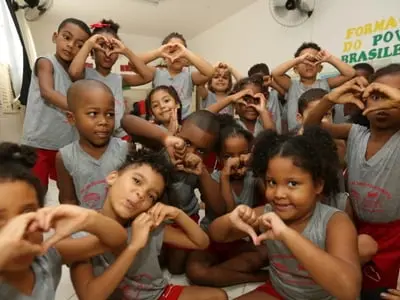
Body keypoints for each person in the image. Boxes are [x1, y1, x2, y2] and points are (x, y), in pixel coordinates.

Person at [209, 127, 361, 300]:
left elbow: (349, 289)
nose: (279, 194)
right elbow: (217, 235)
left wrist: (287, 235)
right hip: (280, 292)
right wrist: (231, 219)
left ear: (318, 185)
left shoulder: (335, 221)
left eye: (293, 184)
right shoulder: (268, 214)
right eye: (272, 182)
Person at [69, 148, 228, 300]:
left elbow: (201, 242)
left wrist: (177, 213)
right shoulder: (83, 233)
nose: (140, 194)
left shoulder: (147, 224)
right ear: (113, 177)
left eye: (151, 196)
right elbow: (90, 296)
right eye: (137, 181)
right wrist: (134, 247)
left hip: (155, 295)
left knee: (219, 296)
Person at [303, 64, 400, 295]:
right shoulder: (355, 133)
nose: (383, 103)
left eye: (392, 96)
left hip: (394, 236)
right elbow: (311, 127)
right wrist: (329, 99)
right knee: (354, 285)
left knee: (384, 290)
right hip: (357, 227)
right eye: (376, 95)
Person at [0, 142, 128, 299]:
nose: (17, 230)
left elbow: (117, 240)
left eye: (27, 214)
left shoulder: (45, 258)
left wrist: (88, 218)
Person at [121, 110, 226, 275]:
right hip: (154, 220)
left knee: (176, 269)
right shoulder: (162, 148)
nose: (190, 153)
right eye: (187, 143)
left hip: (184, 221)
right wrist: (165, 138)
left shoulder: (198, 168)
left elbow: (219, 208)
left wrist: (203, 173)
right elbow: (126, 121)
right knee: (153, 261)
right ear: (178, 133)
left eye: (200, 151)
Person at [186, 114, 268, 287]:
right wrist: (224, 177)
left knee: (266, 253)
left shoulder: (253, 177)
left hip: (240, 242)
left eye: (243, 153)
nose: (236, 160)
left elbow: (269, 198)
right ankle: (253, 277)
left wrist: (256, 165)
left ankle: (219, 273)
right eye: (228, 156)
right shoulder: (213, 177)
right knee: (195, 271)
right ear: (219, 157)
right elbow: (224, 212)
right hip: (212, 240)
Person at [21, 18, 91, 192]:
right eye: (66, 38)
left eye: (79, 45)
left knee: (67, 188)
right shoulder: (45, 62)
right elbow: (48, 92)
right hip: (39, 142)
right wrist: (81, 110)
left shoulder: (78, 74)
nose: (70, 45)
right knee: (36, 189)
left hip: (65, 144)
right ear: (55, 37)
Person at [68, 19, 153, 139]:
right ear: (92, 52)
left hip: (118, 135)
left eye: (112, 48)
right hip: (93, 135)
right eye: (102, 47)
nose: (107, 53)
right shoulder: (85, 75)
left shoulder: (118, 79)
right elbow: (73, 72)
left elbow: (148, 76)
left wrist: (126, 51)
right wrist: (89, 44)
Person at [56, 80, 129, 209]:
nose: (103, 121)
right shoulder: (65, 157)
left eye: (109, 114)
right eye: (93, 114)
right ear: (72, 118)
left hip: (120, 226)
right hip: (87, 225)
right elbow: (68, 201)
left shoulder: (124, 149)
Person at [271, 42, 355, 131]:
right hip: (297, 136)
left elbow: (350, 73)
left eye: (313, 61)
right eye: (305, 61)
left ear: (320, 68)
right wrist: (299, 59)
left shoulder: (326, 83)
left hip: (323, 132)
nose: (309, 64)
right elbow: (275, 73)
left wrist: (329, 58)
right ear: (295, 69)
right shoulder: (292, 85)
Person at [134, 32, 214, 119]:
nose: (177, 56)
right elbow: (134, 63)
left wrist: (186, 53)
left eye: (180, 52)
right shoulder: (156, 72)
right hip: (160, 121)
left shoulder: (190, 75)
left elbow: (210, 72)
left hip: (183, 121)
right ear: (164, 57)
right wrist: (158, 53)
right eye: (171, 52)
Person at [209, 77, 275, 136]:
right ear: (235, 103)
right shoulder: (229, 125)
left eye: (256, 100)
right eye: (246, 99)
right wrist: (230, 99)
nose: (251, 105)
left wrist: (263, 111)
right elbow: (204, 115)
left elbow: (273, 139)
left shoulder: (266, 124)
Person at [248, 63, 284, 133]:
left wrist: (271, 83)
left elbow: (285, 93)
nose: (262, 84)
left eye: (263, 80)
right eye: (257, 81)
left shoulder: (275, 94)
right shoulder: (252, 99)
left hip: (277, 137)